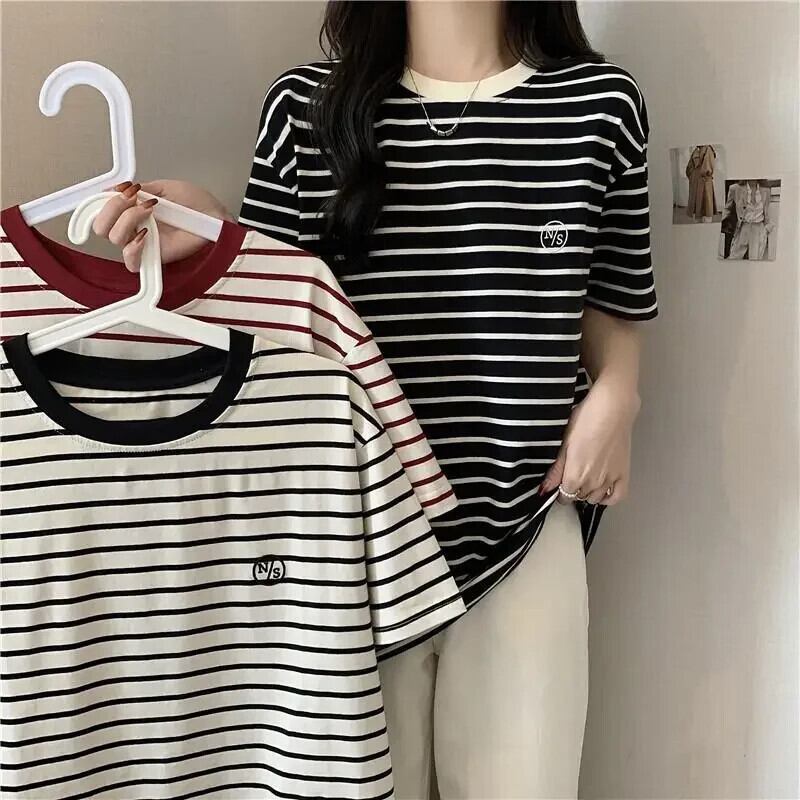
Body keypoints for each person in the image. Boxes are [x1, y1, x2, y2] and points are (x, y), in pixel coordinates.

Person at [94, 1, 657, 796]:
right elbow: (284, 327)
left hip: (526, 522)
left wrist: (618, 396)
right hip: (353, 533)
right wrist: (219, 236)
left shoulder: (599, 105)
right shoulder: (305, 109)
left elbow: (614, 291)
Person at [722, 178, 773, 260]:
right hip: (743, 227)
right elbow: (727, 209)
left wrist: (767, 229)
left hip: (759, 229)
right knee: (734, 258)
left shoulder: (766, 190)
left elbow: (767, 212)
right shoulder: (734, 188)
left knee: (755, 260)